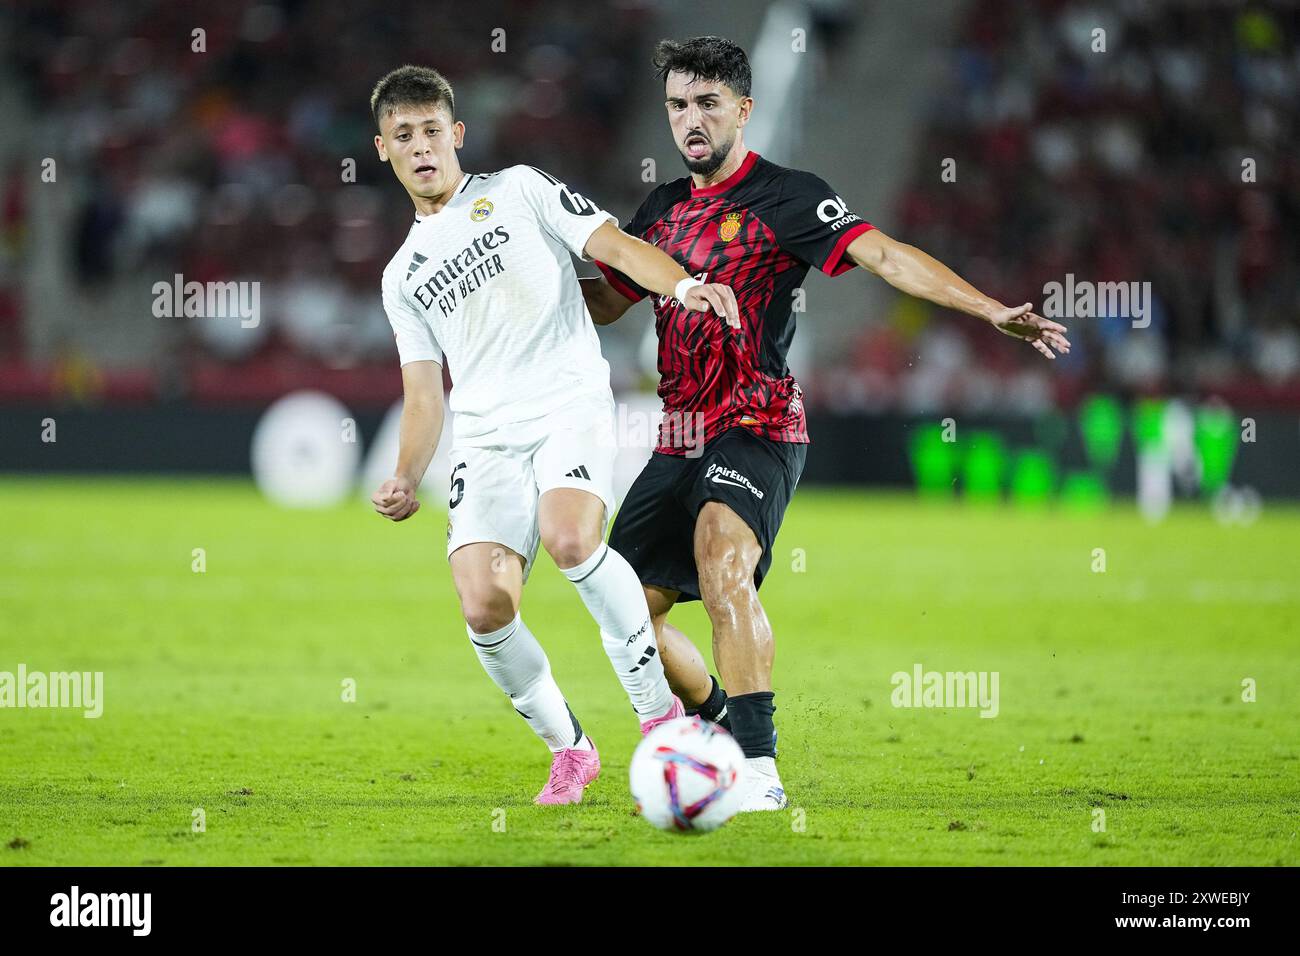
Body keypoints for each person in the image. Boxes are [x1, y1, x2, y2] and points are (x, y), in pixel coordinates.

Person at [581, 37, 1070, 810]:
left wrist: (988, 309)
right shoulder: (661, 208)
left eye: (708, 103)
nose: (691, 119)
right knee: (626, 615)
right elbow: (608, 298)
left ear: (743, 109)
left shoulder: (790, 196)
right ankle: (716, 728)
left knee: (720, 558)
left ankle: (761, 774)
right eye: (678, 104)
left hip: (759, 420)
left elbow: (884, 256)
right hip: (679, 431)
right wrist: (521, 285)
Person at [368, 65, 741, 805]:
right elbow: (422, 394)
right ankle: (570, 749)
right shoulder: (402, 275)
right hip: (485, 433)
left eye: (433, 131)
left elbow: (613, 246)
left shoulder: (519, 189)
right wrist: (409, 474)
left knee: (571, 538)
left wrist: (683, 285)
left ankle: (657, 715)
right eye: (403, 136)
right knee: (484, 604)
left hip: (566, 402)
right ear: (382, 149)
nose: (421, 148)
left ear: (458, 135)